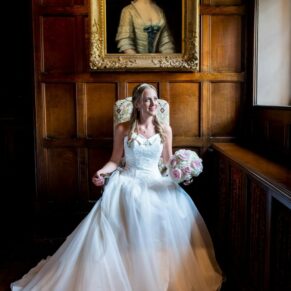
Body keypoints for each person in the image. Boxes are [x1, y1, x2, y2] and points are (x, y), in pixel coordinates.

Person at [11, 83, 223, 291]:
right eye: (147, 99)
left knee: (171, 213)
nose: (153, 103)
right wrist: (101, 173)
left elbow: (167, 161)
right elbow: (114, 160)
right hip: (128, 180)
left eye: (155, 99)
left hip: (156, 180)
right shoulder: (122, 129)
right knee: (132, 207)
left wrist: (181, 172)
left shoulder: (165, 129)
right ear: (137, 104)